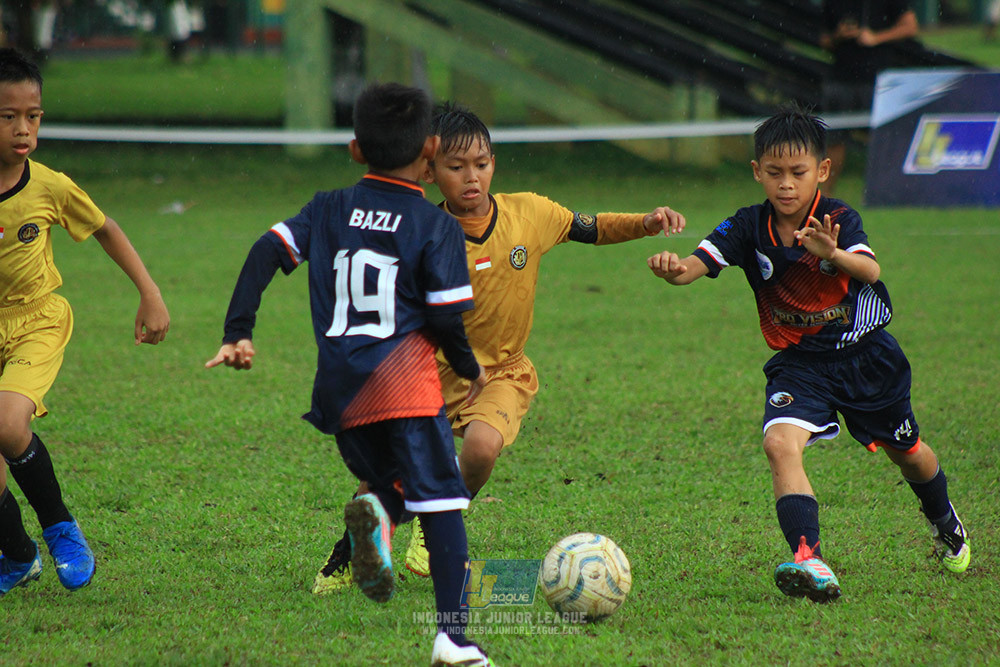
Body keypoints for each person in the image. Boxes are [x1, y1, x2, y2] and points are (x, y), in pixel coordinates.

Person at [312, 102, 686, 594]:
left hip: (502, 372)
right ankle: (349, 555)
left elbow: (589, 227)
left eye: (482, 163)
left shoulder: (528, 213)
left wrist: (646, 222)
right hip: (424, 373)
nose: (472, 177)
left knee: (482, 448)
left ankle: (432, 522)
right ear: (428, 171)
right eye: (456, 166)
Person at [205, 83, 494, 667]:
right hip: (406, 388)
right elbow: (443, 318)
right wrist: (469, 368)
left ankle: (379, 517)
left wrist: (239, 330)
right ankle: (454, 639)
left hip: (342, 396)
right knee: (442, 503)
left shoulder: (326, 208)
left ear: (355, 149)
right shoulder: (434, 226)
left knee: (397, 484)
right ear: (432, 150)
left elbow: (266, 251)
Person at [646, 105, 970, 602]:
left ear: (821, 171)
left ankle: (944, 520)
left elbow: (871, 273)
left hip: (866, 360)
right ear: (757, 172)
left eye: (798, 173)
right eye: (774, 173)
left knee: (909, 454)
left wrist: (832, 254)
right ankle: (809, 557)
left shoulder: (838, 218)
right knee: (779, 443)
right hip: (800, 366)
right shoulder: (748, 227)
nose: (786, 185)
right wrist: (673, 268)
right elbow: (696, 265)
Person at [0, 47, 170, 598]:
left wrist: (150, 294)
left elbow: (106, 228)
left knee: (5, 425)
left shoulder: (48, 185)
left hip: (35, 321)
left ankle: (60, 529)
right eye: (7, 117)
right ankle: (19, 556)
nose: (23, 129)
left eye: (34, 116)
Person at [819, 0, 919, 193]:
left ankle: (888, 192)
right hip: (841, 78)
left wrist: (876, 37)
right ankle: (824, 196)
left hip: (878, 80)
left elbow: (910, 26)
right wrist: (838, 35)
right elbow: (824, 40)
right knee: (833, 140)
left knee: (886, 138)